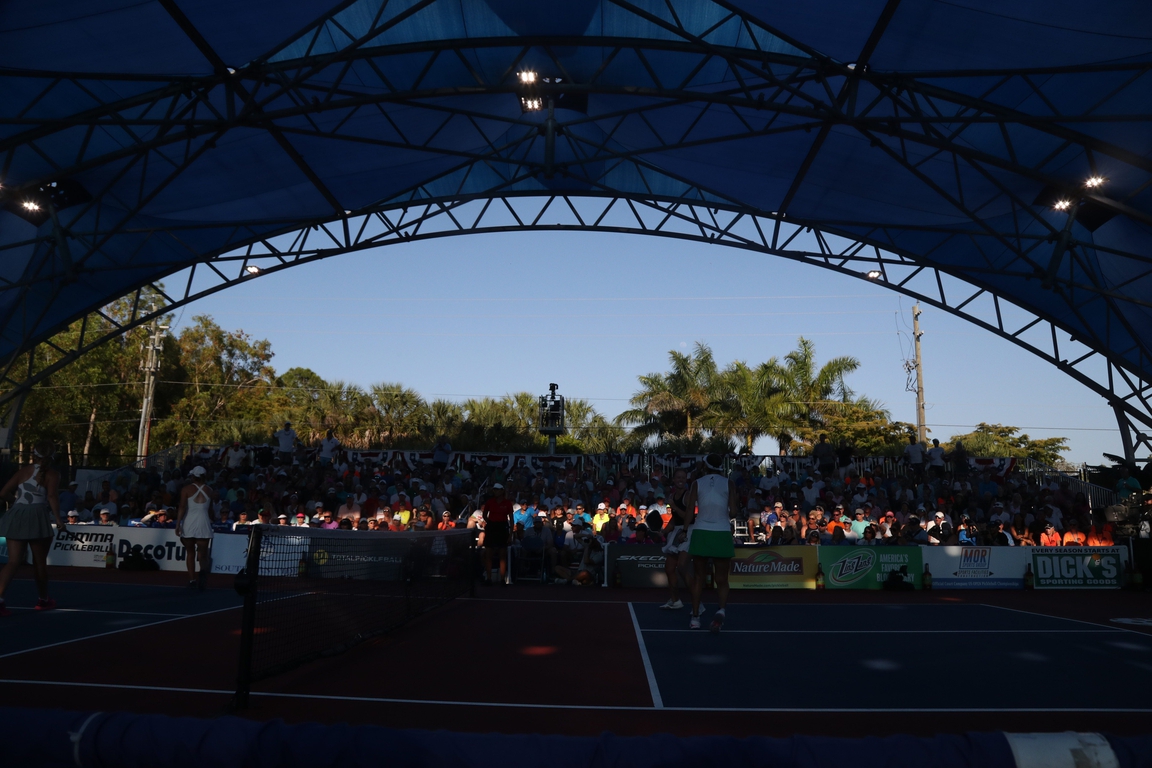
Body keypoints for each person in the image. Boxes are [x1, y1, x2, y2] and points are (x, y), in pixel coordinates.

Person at [0, 442, 65, 615]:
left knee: (13, 561)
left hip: (17, 515)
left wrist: (18, 504)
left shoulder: (23, 471)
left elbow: (3, 493)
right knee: (39, 562)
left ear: (34, 455)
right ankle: (43, 600)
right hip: (37, 516)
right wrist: (58, 519)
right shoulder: (53, 474)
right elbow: (51, 496)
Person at [684, 455, 738, 632]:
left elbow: (690, 510)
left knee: (699, 577)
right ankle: (721, 611)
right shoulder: (729, 483)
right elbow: (734, 512)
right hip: (722, 532)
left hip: (701, 531)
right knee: (722, 580)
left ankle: (695, 617)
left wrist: (684, 530)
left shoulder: (697, 483)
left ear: (705, 466)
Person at [175, 465, 216, 590]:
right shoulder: (209, 490)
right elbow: (210, 510)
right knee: (203, 555)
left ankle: (192, 579)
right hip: (204, 523)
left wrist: (178, 524)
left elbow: (182, 507)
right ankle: (202, 573)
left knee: (190, 553)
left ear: (194, 476)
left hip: (190, 523)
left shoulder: (186, 489)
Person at [659, 468, 694, 611]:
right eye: (678, 477)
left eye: (683, 477)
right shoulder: (672, 496)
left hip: (689, 530)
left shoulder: (688, 495)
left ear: (686, 480)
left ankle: (697, 603)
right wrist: (664, 531)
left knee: (681, 567)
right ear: (674, 480)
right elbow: (674, 518)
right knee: (669, 568)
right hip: (677, 530)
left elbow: (689, 516)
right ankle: (676, 600)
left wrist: (674, 507)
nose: (680, 479)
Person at [481, 483, 513, 585]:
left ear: (502, 491)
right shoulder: (490, 502)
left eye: (498, 489)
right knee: (488, 553)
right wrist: (490, 523)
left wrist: (510, 534)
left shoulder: (507, 503)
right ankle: (489, 578)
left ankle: (502, 579)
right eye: (494, 489)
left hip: (502, 528)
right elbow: (484, 514)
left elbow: (511, 520)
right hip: (492, 528)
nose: (496, 491)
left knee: (502, 555)